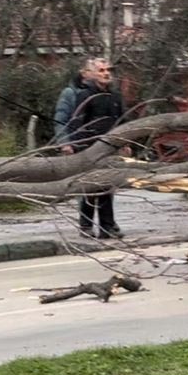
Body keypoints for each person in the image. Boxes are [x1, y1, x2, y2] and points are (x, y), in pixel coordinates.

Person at [54, 57, 125, 239]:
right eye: (101, 70)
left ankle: (107, 226)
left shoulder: (115, 96)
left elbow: (121, 122)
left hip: (110, 148)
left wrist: (124, 143)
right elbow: (74, 123)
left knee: (107, 187)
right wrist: (70, 144)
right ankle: (86, 224)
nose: (107, 73)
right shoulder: (82, 96)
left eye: (108, 70)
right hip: (89, 148)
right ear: (88, 74)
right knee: (90, 188)